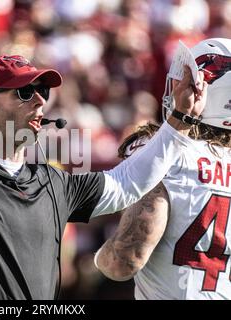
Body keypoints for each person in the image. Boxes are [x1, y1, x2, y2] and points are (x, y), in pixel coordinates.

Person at [0, 22, 207, 300]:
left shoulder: (54, 182)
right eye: (24, 92)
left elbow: (126, 184)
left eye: (43, 92)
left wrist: (179, 119)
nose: (40, 102)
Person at [94, 38, 231, 300]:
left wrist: (100, 258)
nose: (177, 86)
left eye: (188, 82)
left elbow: (125, 260)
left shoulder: (170, 153)